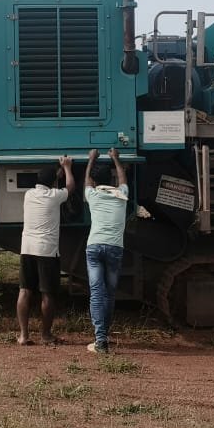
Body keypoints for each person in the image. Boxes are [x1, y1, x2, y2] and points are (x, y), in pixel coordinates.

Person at [18, 155, 74, 346]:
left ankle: (23, 335)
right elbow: (71, 187)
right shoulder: (54, 196)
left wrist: (56, 173)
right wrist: (67, 167)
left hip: (27, 248)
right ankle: (46, 335)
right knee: (47, 293)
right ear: (53, 183)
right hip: (47, 251)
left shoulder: (29, 195)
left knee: (25, 291)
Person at [83, 148, 129, 354]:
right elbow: (123, 179)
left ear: (95, 181)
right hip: (115, 247)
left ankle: (100, 339)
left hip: (94, 246)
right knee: (109, 293)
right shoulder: (122, 195)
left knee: (96, 292)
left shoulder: (92, 195)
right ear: (111, 180)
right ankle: (103, 337)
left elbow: (86, 181)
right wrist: (116, 159)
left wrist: (91, 159)